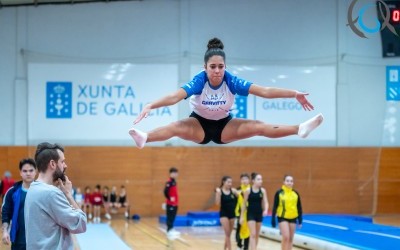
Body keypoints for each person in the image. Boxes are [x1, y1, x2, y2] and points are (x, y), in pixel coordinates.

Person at [129, 37, 323, 148]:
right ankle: (145, 137)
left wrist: (294, 93)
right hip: (198, 124)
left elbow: (264, 91)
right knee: (175, 126)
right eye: (212, 67)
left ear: (225, 66)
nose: (217, 71)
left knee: (258, 126)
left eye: (220, 66)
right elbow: (175, 96)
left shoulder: (232, 81)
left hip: (225, 126)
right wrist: (151, 105)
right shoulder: (200, 81)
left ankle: (299, 129)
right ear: (205, 67)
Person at [24, 142, 87, 250]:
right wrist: (68, 195)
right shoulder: (51, 193)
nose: (65, 165)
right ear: (52, 164)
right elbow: (81, 224)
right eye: (62, 162)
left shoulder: (33, 188)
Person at [1, 158, 37, 250]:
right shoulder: (12, 192)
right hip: (18, 241)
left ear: (35, 172)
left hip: (38, 241)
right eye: (25, 171)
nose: (28, 173)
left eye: (31, 170)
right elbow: (6, 213)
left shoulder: (43, 192)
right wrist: (5, 231)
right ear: (20, 172)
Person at [271, 175, 303, 250]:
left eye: (291, 181)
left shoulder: (295, 194)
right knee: (286, 237)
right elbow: (275, 206)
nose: (289, 183)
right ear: (284, 182)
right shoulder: (279, 193)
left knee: (291, 238)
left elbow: (299, 207)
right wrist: (273, 219)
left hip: (293, 218)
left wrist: (300, 219)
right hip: (282, 217)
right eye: (287, 181)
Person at [240, 173, 268, 250]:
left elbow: (266, 202)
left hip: (259, 214)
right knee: (253, 234)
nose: (261, 181)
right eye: (258, 179)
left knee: (256, 235)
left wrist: (265, 210)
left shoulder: (262, 191)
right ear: (253, 181)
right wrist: (242, 217)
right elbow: (244, 204)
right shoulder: (248, 191)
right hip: (250, 214)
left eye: (261, 179)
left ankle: (254, 248)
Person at [215, 176, 239, 250]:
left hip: (232, 214)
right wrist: (218, 193)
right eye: (228, 182)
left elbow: (240, 199)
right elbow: (217, 203)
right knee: (227, 233)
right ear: (223, 182)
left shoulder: (233, 191)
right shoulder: (220, 191)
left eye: (231, 182)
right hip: (224, 214)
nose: (230, 184)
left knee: (228, 234)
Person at [235, 173, 250, 250]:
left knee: (248, 229)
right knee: (240, 228)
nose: (244, 181)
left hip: (249, 212)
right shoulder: (237, 190)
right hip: (240, 212)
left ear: (249, 180)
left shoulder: (251, 189)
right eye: (243, 179)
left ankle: (246, 246)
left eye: (246, 179)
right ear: (240, 180)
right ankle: (239, 244)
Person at [164, 167, 179, 239]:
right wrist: (170, 198)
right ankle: (169, 230)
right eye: (175, 173)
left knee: (173, 216)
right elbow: (165, 191)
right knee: (170, 216)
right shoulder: (169, 182)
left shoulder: (174, 182)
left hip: (175, 203)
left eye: (177, 173)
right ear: (171, 174)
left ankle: (171, 228)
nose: (176, 174)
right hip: (170, 203)